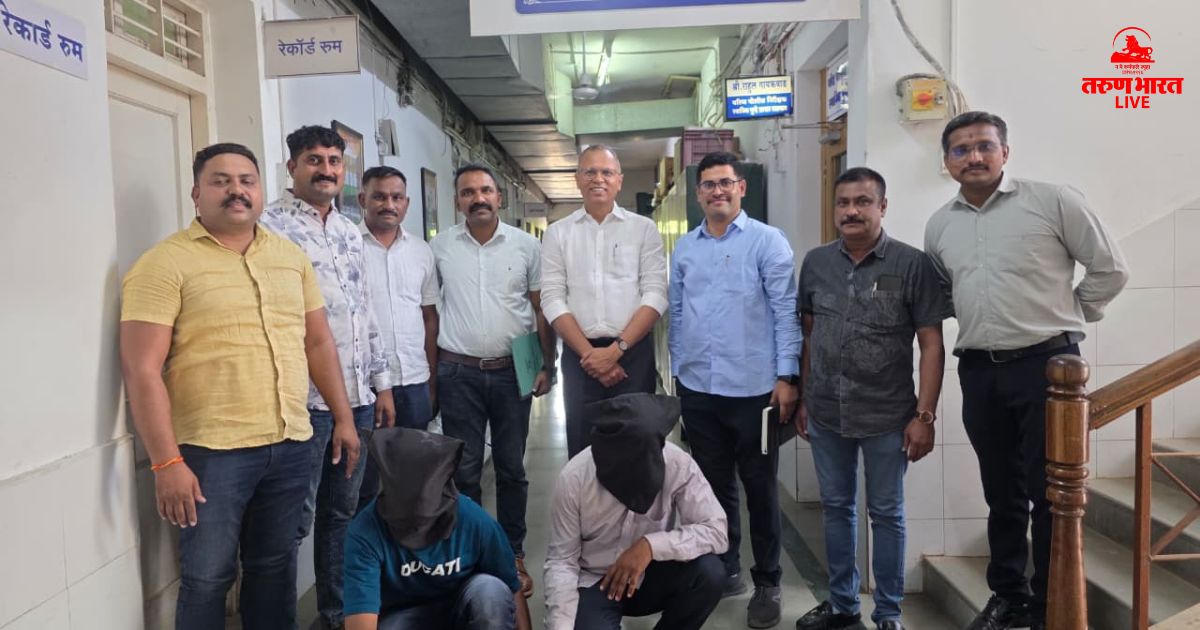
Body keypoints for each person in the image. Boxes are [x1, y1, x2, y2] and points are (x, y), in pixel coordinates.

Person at [119, 143, 359, 630]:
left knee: (274, 569)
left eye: (247, 181)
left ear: (260, 189)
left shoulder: (289, 258)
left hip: (290, 442)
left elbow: (318, 343)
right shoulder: (164, 263)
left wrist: (344, 418)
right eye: (221, 181)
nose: (236, 191)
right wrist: (166, 462)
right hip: (212, 454)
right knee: (208, 578)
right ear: (196, 193)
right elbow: (142, 369)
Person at [924, 111, 1129, 630]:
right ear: (947, 161)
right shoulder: (941, 224)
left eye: (984, 146)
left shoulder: (1053, 201)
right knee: (1002, 492)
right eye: (961, 149)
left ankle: (1049, 606)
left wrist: (1071, 312)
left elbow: (1110, 268)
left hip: (1049, 368)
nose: (973, 157)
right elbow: (945, 290)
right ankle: (1009, 596)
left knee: (1051, 493)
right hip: (979, 370)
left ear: (1005, 152)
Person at [793, 167, 950, 630]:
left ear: (882, 206)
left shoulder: (912, 264)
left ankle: (888, 613)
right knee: (836, 509)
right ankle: (843, 605)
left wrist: (925, 415)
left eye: (862, 202)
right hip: (826, 411)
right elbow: (809, 335)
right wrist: (804, 398)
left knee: (886, 513)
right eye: (843, 203)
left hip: (887, 414)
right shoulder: (816, 263)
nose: (851, 211)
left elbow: (932, 344)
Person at [260, 125, 396, 630]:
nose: (326, 170)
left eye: (334, 161)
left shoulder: (348, 231)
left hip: (358, 397)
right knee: (291, 521)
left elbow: (365, 311)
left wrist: (381, 383)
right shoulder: (268, 227)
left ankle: (336, 614)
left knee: (343, 514)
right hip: (303, 402)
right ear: (292, 166)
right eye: (314, 160)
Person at [666, 151, 800, 628]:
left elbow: (785, 311)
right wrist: (679, 372)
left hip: (755, 391)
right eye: (708, 184)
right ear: (698, 193)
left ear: (741, 187)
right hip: (700, 388)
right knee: (712, 485)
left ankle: (768, 580)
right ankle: (726, 566)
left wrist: (787, 377)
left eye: (725, 182)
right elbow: (677, 314)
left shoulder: (767, 241)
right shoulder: (686, 248)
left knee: (760, 487)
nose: (717, 191)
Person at [431, 162, 555, 594]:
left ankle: (512, 551)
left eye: (485, 190)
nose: (478, 198)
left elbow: (541, 309)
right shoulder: (440, 247)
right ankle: (470, 549)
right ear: (457, 201)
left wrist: (547, 365)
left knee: (511, 468)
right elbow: (429, 312)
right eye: (468, 192)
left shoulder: (526, 246)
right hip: (457, 372)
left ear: (499, 197)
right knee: (463, 470)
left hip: (511, 371)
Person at [544, 393, 728, 630]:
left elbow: (716, 530)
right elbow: (562, 561)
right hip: (596, 581)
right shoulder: (575, 477)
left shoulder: (677, 464)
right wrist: (561, 626)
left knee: (709, 573)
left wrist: (650, 546)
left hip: (651, 575)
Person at [540, 145, 669, 458]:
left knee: (636, 449)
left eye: (607, 172)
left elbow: (655, 293)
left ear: (619, 180)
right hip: (580, 357)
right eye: (590, 172)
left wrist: (616, 351)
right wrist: (591, 355)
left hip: (632, 356)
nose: (598, 179)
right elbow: (553, 298)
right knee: (583, 450)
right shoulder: (558, 233)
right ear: (577, 179)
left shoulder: (643, 229)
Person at [343, 428, 532, 630]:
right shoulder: (365, 532)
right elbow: (361, 619)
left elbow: (512, 587)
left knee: (490, 592)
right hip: (402, 612)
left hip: (462, 608)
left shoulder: (474, 520)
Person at [358, 165, 440, 511]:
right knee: (364, 483)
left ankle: (409, 542)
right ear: (362, 200)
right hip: (364, 386)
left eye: (396, 197)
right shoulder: (348, 247)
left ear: (407, 203)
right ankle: (367, 543)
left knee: (413, 479)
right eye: (379, 197)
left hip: (414, 381)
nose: (388, 205)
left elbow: (429, 316)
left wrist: (432, 379)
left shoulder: (421, 252)